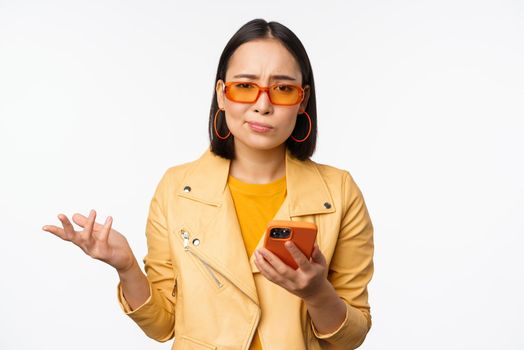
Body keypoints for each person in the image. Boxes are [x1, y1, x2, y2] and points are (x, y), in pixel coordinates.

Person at [42, 18, 375, 350]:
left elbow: (351, 337)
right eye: (245, 86)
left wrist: (316, 293)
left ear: (302, 101)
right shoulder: (176, 188)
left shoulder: (339, 191)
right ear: (222, 94)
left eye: (283, 89)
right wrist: (127, 266)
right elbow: (163, 324)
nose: (262, 104)